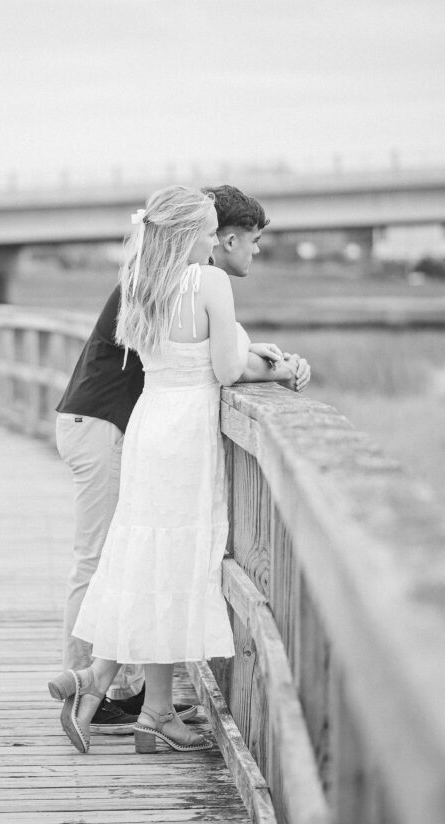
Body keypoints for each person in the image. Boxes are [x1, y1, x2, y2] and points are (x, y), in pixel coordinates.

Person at [49, 185, 308, 755]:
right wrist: (270, 372)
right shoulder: (209, 282)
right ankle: (129, 697)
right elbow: (219, 367)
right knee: (177, 562)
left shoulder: (145, 283)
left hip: (147, 425)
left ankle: (127, 695)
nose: (218, 239)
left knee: (142, 554)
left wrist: (251, 353)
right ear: (193, 233)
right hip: (187, 430)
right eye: (212, 229)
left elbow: (176, 355)